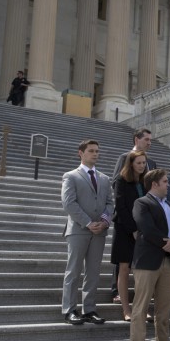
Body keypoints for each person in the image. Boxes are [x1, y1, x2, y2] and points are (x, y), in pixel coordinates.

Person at [128, 169, 170, 341]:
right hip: (147, 261)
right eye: (165, 182)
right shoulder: (141, 203)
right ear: (154, 184)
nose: (168, 185)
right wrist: (168, 245)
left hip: (168, 263)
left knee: (165, 307)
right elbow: (146, 228)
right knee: (141, 306)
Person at [61, 139, 113, 325]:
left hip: (99, 231)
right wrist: (89, 222)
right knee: (73, 270)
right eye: (91, 151)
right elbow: (69, 203)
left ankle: (89, 309)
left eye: (97, 151)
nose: (95, 154)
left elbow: (109, 203)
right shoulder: (71, 176)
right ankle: (69, 309)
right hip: (78, 230)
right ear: (81, 153)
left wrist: (105, 221)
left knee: (93, 271)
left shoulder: (105, 178)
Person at [112, 150, 147, 320]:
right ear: (131, 163)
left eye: (143, 162)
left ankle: (141, 308)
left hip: (142, 231)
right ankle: (126, 309)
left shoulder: (145, 180)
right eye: (138, 162)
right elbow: (121, 206)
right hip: (125, 229)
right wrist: (132, 229)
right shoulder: (121, 179)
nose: (142, 166)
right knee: (124, 268)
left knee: (141, 271)